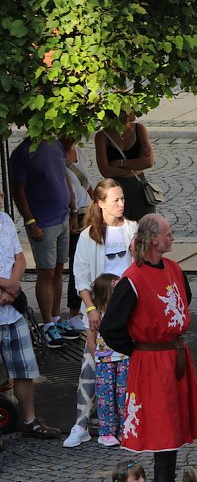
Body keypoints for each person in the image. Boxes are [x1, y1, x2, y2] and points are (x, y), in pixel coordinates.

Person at [100, 214, 197, 482]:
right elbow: (111, 327)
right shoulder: (132, 279)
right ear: (153, 239)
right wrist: (140, 350)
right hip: (152, 362)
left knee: (174, 425)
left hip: (176, 356)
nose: (172, 238)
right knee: (163, 428)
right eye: (168, 233)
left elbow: (184, 299)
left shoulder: (174, 268)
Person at [64, 179, 138, 448]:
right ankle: (81, 424)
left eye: (122, 198)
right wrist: (92, 308)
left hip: (128, 310)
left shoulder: (132, 229)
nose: (121, 204)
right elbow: (81, 278)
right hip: (100, 310)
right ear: (101, 203)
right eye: (116, 199)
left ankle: (128, 424)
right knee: (91, 368)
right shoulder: (88, 236)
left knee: (128, 373)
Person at [0, 191, 60, 439]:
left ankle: (29, 420)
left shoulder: (5, 220)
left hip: (12, 311)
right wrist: (7, 285)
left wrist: (12, 287)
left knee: (24, 369)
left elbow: (19, 258)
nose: (0, 198)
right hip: (7, 296)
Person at [9, 137, 78, 347]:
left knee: (58, 269)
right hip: (42, 222)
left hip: (62, 217)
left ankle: (56, 319)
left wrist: (73, 208)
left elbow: (64, 176)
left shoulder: (56, 144)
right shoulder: (22, 152)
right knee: (46, 272)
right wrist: (31, 222)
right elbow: (18, 191)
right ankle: (48, 325)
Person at [88, 273, 128, 448]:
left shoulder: (124, 312)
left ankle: (125, 430)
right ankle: (106, 432)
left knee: (124, 395)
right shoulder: (97, 315)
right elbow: (91, 340)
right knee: (105, 397)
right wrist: (98, 358)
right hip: (104, 362)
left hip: (124, 358)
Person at [94, 112, 157, 221]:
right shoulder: (102, 136)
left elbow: (148, 162)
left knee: (146, 225)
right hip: (115, 189)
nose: (134, 112)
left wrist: (120, 163)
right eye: (129, 109)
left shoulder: (139, 129)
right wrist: (135, 168)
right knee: (119, 226)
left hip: (139, 187)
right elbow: (106, 171)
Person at [64, 137, 94, 334]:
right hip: (71, 215)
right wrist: (73, 212)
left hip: (86, 212)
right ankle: (74, 312)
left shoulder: (79, 152)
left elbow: (86, 183)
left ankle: (83, 309)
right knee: (76, 262)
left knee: (86, 260)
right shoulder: (57, 156)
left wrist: (97, 206)